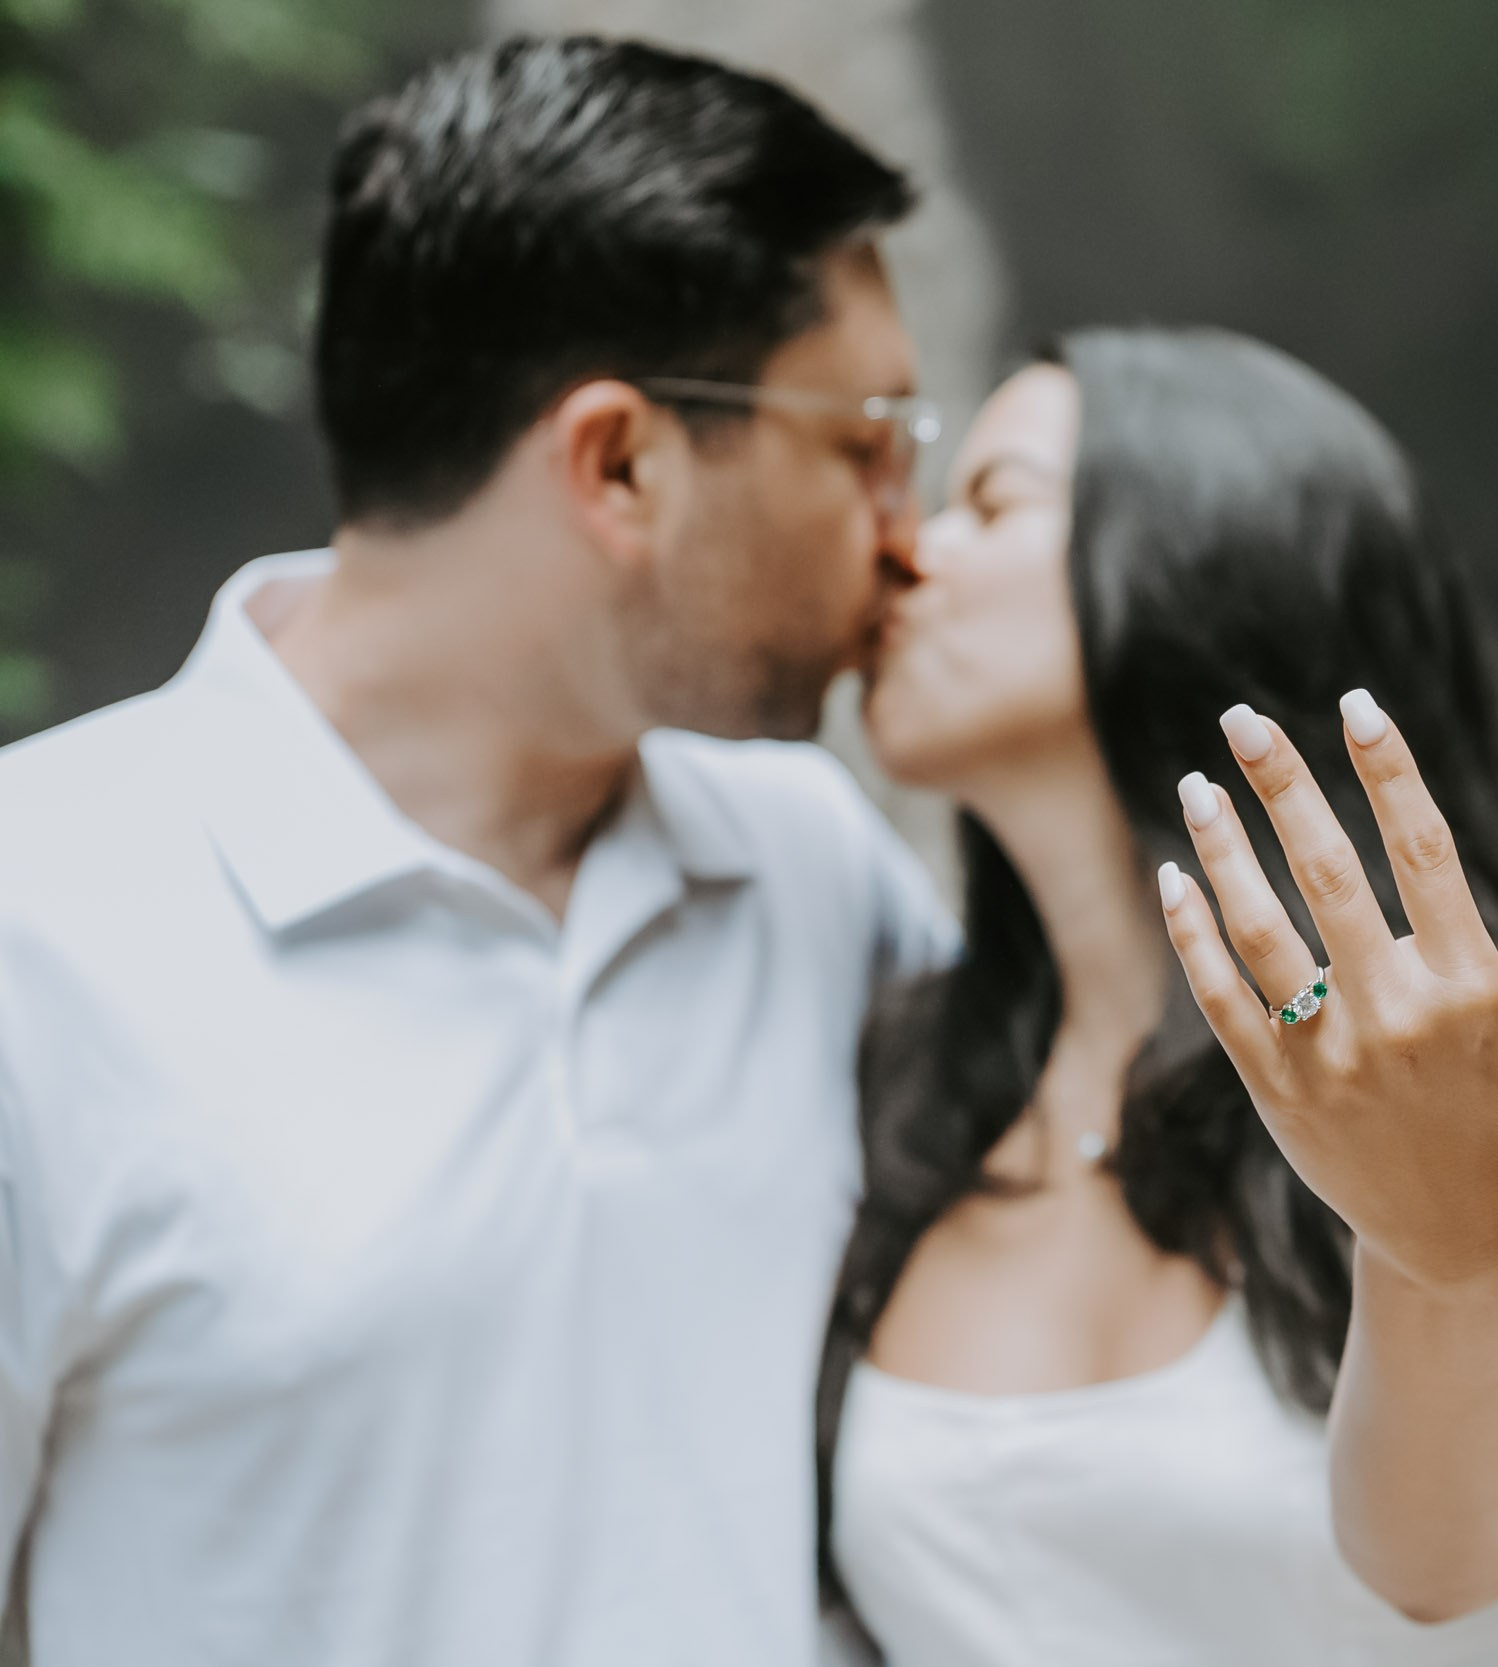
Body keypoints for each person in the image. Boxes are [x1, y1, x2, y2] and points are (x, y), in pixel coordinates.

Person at [0, 37, 956, 1666]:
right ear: (622, 464)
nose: (903, 531)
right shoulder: (38, 927)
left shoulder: (814, 868)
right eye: (864, 442)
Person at [819, 326, 1498, 1664]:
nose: (905, 551)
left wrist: (1451, 1243)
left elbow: (1442, 1561)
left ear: (1206, 558)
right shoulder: (914, 1082)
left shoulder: (1472, 1056)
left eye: (991, 503)